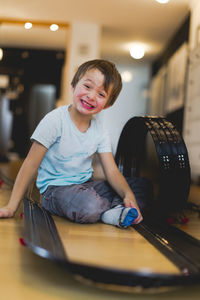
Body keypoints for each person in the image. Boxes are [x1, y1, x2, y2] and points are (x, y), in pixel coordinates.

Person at [0, 59, 150, 228]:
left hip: (87, 187)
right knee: (89, 205)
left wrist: (128, 195)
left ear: (107, 105)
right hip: (55, 191)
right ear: (73, 85)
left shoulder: (100, 129)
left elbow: (112, 171)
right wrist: (11, 206)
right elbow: (30, 164)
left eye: (101, 94)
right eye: (87, 86)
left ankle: (114, 209)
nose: (92, 96)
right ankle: (112, 211)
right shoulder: (54, 121)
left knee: (140, 186)